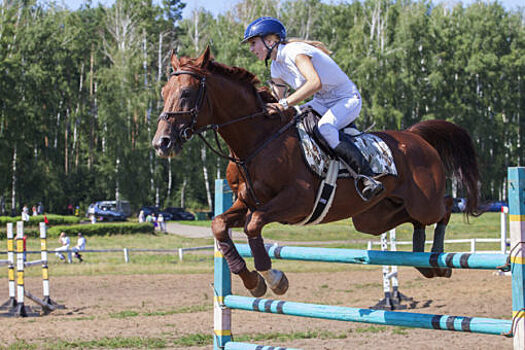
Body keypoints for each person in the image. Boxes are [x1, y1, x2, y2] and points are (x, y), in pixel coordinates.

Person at [242, 17, 383, 200]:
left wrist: (284, 104)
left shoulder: (295, 52)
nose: (251, 49)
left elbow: (315, 83)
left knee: (325, 128)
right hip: (322, 102)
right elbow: (279, 100)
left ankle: (367, 176)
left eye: (253, 43)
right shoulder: (276, 67)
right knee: (291, 119)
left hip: (347, 99)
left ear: (270, 41)